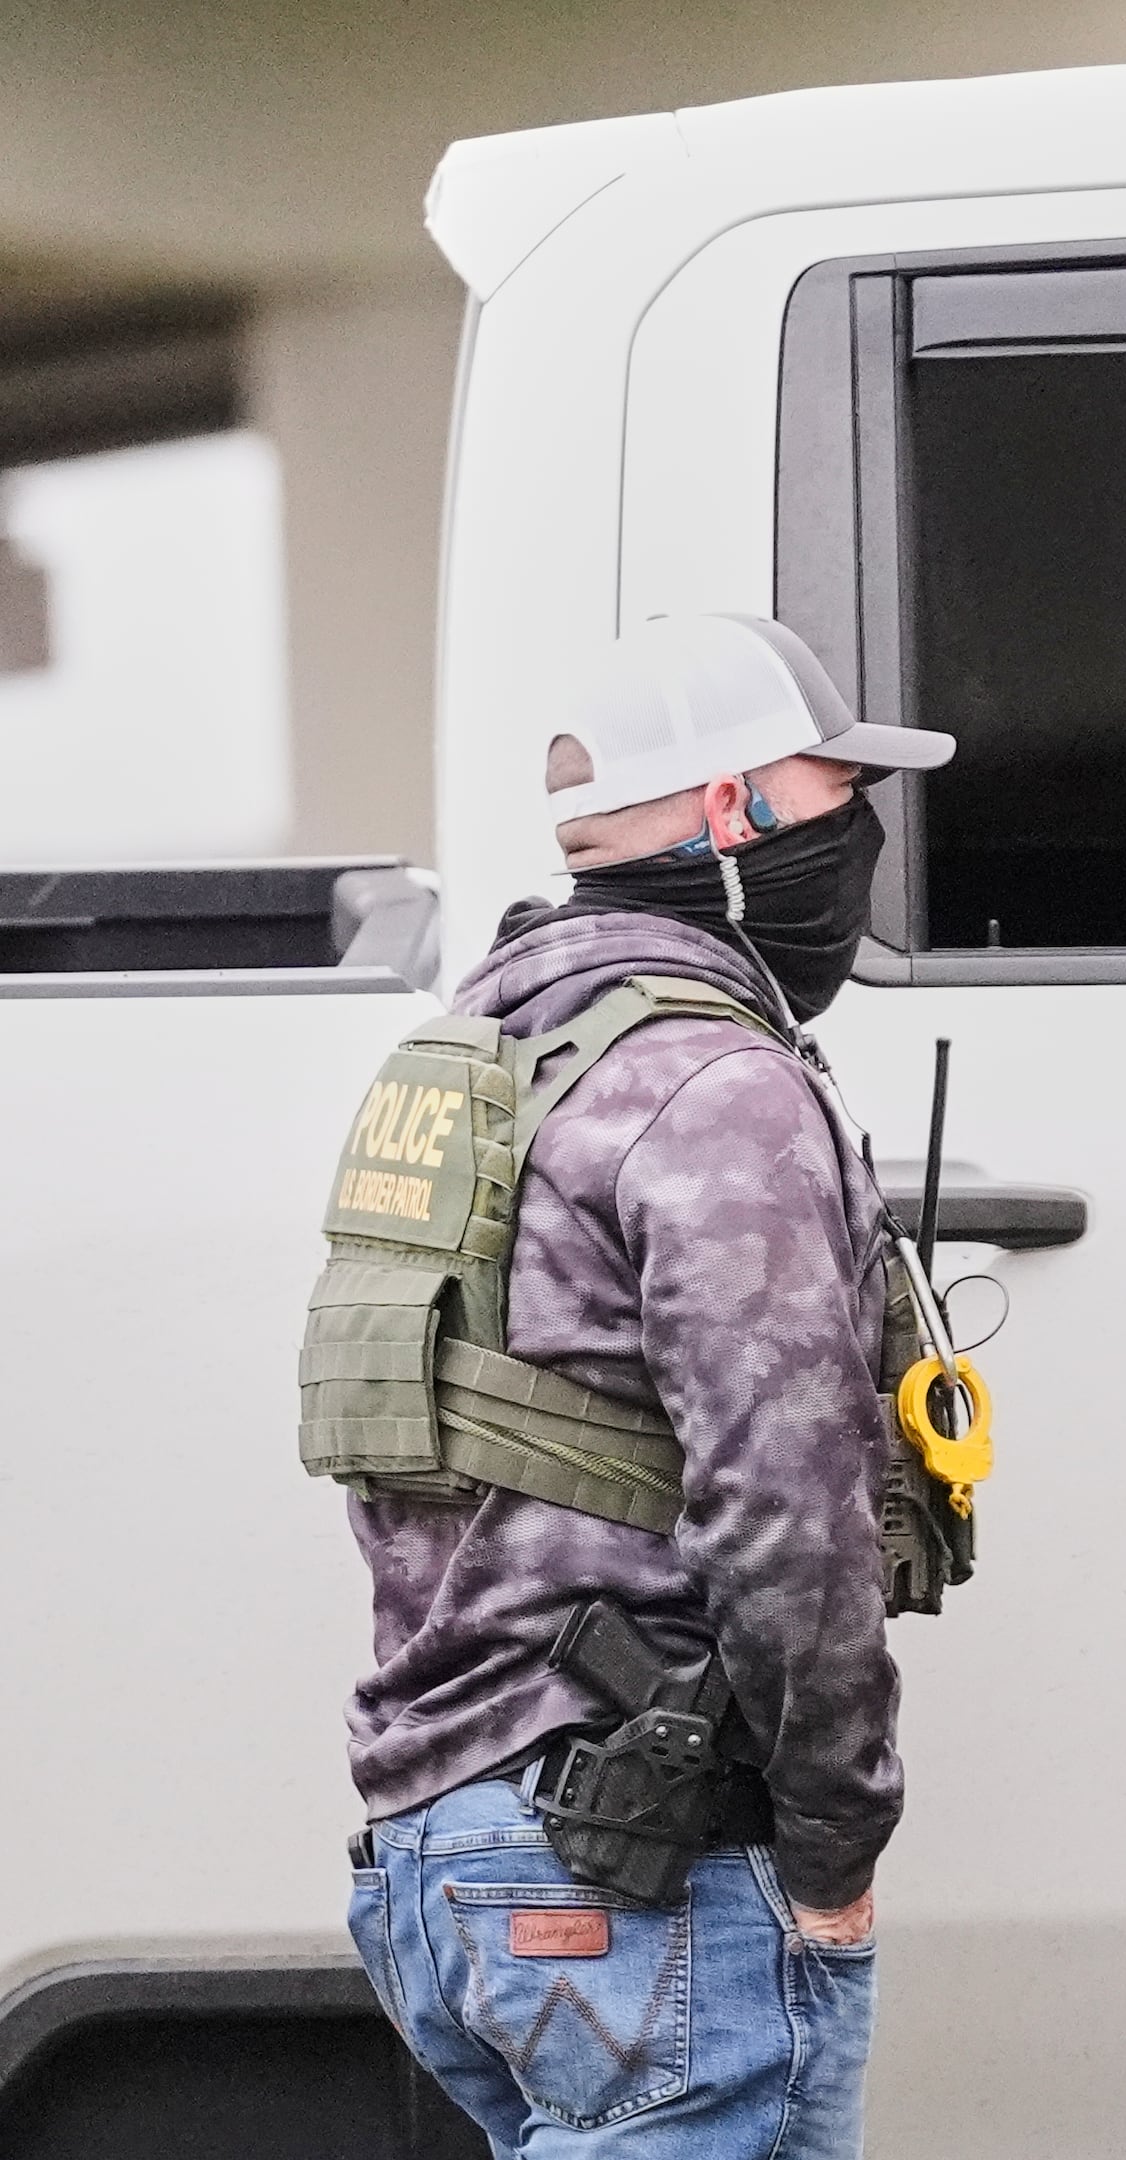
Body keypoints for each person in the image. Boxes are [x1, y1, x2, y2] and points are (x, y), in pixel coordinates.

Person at [311, 615, 961, 2159]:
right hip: (636, 1862)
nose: (855, 837)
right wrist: (832, 1844)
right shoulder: (713, 1079)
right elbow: (788, 1509)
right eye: (830, 794)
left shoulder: (474, 1048)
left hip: (439, 1850)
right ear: (732, 813)